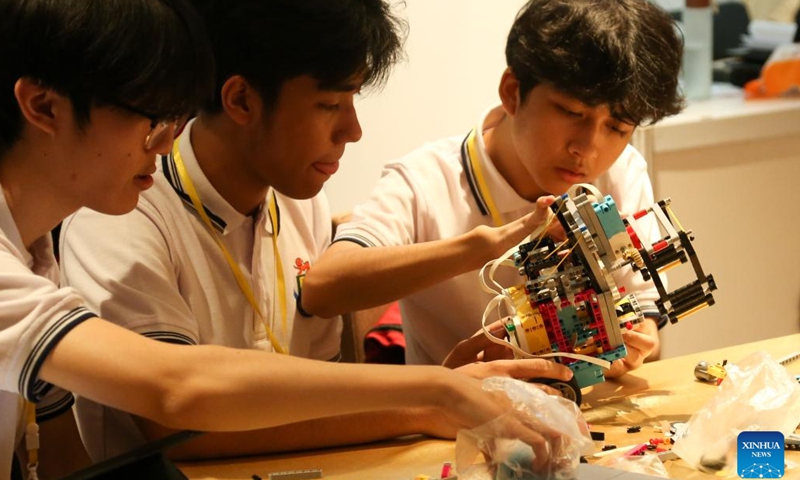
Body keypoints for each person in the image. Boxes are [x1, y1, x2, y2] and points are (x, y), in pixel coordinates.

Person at [0, 0, 572, 478]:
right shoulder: (116, 216)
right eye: (148, 115)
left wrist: (436, 388)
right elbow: (177, 399)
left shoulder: (35, 253)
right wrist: (428, 396)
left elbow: (60, 458)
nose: (164, 137)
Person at [303, 0, 684, 374]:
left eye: (617, 128)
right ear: (512, 91)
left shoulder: (621, 172)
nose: (587, 148)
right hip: (458, 425)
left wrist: (638, 343)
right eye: (571, 112)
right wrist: (492, 245)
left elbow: (645, 309)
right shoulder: (424, 182)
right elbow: (323, 288)